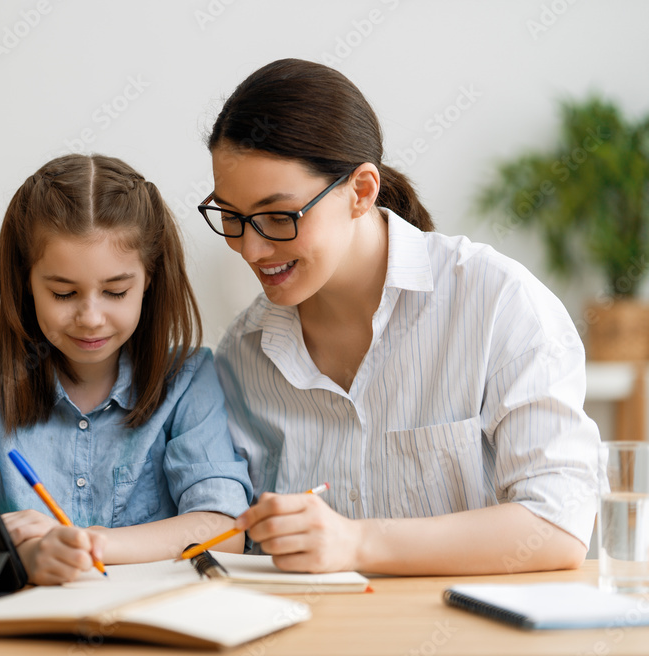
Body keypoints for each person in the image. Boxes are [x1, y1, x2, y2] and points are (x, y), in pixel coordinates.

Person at [201, 59, 599, 575]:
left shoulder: (496, 302)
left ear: (361, 192)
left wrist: (358, 543)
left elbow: (559, 526)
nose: (251, 249)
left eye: (279, 217)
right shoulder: (244, 352)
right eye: (232, 218)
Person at [0, 154, 251, 585]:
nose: (91, 317)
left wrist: (93, 543)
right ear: (26, 280)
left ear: (148, 279)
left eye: (116, 291)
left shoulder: (187, 378)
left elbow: (224, 529)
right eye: (63, 293)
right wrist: (31, 553)